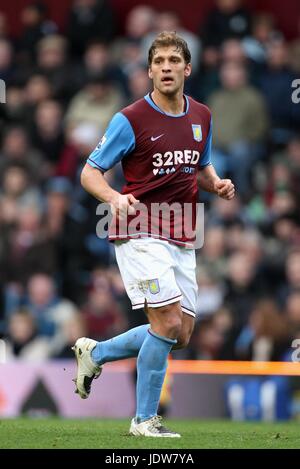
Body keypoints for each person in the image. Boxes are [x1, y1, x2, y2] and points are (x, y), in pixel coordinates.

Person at [73, 31, 235, 437]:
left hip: (183, 231)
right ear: (149, 71)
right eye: (159, 61)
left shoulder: (202, 115)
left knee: (179, 333)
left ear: (187, 68)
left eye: (173, 61)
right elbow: (89, 172)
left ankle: (98, 353)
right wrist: (113, 197)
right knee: (164, 322)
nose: (166, 67)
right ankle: (144, 420)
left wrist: (216, 183)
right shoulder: (129, 120)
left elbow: (201, 164)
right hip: (138, 228)